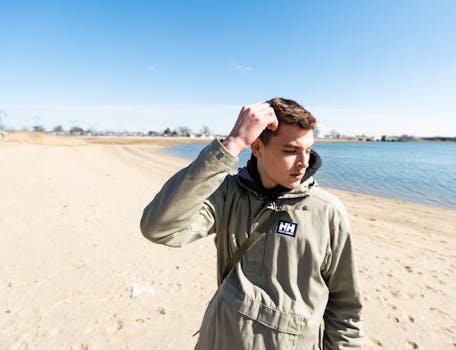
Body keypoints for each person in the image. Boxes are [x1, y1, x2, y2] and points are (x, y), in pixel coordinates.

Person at [140, 97, 363, 349]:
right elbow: (158, 228)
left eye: (308, 149)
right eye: (291, 150)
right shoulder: (228, 194)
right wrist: (232, 144)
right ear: (257, 148)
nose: (304, 162)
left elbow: (346, 310)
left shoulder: (327, 212)